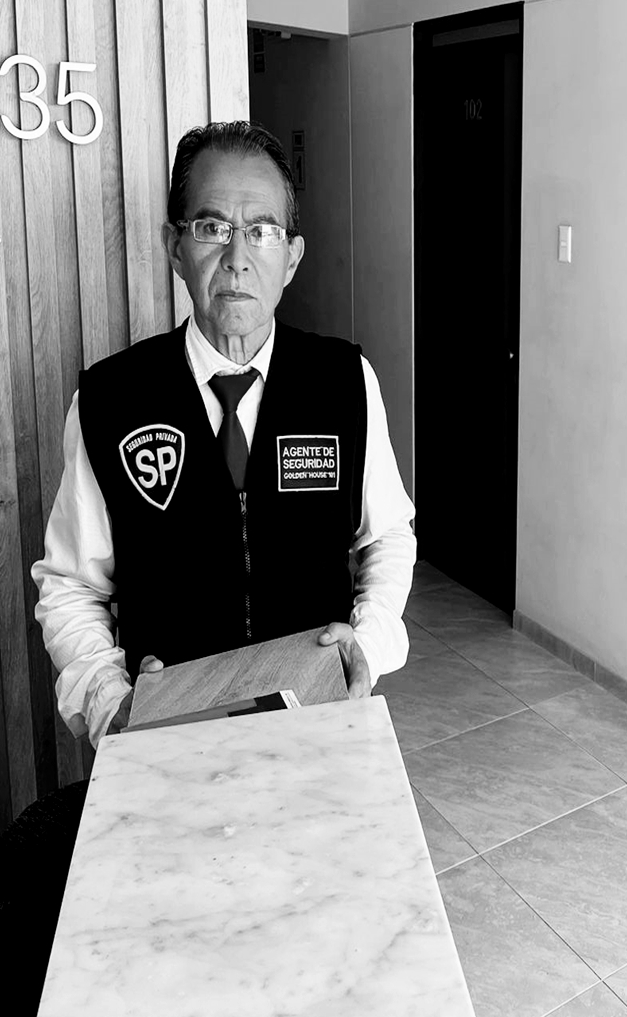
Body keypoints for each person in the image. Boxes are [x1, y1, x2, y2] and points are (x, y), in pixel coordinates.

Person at [32, 120, 417, 745]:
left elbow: (389, 535)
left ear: (291, 258)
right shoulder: (111, 399)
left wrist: (367, 648)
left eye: (262, 231)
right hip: (171, 729)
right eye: (213, 228)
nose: (238, 257)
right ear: (175, 247)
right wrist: (109, 701)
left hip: (315, 715)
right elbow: (72, 583)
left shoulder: (344, 381)